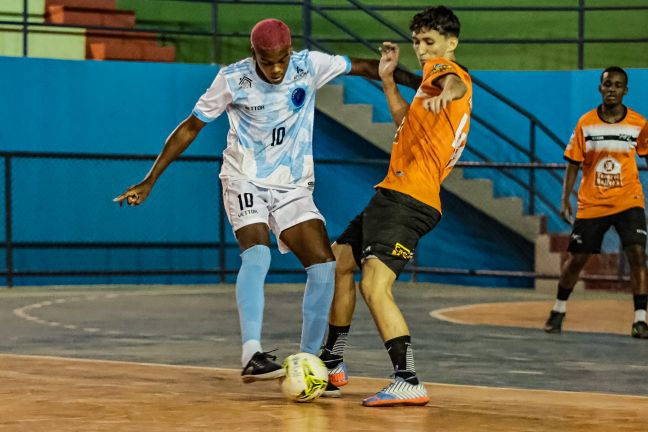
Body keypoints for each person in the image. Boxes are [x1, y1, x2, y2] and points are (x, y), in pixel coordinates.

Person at [114, 18, 422, 383]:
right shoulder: (234, 79)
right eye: (266, 61)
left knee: (324, 266)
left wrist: (424, 84)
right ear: (254, 55)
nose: (275, 69)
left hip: (292, 187)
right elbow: (190, 126)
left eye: (280, 60)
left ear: (290, 52)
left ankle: (310, 363)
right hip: (244, 178)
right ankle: (251, 354)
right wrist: (151, 179)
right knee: (258, 254)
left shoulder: (310, 65)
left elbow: (365, 66)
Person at [318, 6, 472, 406]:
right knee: (340, 263)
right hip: (393, 193)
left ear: (450, 43)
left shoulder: (445, 73)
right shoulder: (427, 89)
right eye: (417, 41)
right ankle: (332, 362)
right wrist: (387, 81)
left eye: (430, 41)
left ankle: (408, 378)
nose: (421, 50)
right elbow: (406, 121)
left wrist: (448, 92)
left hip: (410, 199)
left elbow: (455, 82)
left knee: (374, 285)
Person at [543, 66, 648, 339]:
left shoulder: (638, 123)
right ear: (600, 88)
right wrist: (565, 198)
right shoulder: (586, 123)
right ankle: (558, 309)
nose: (611, 89)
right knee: (577, 259)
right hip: (592, 203)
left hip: (629, 200)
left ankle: (640, 319)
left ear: (625, 90)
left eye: (617, 85)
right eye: (607, 84)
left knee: (637, 255)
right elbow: (573, 164)